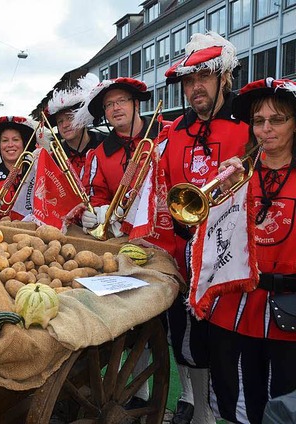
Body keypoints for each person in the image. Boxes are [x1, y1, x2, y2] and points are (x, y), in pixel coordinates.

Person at [161, 31, 247, 424]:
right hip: (185, 258)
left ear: (223, 78)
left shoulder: (248, 127)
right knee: (188, 343)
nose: (195, 88)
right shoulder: (175, 131)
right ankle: (201, 414)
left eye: (204, 78)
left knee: (229, 350)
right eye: (189, 80)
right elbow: (163, 191)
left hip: (231, 261)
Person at [206, 78, 296, 424]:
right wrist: (224, 197)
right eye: (259, 121)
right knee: (242, 402)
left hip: (289, 310)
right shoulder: (237, 174)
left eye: (277, 120)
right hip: (239, 306)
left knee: (284, 405)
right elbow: (215, 242)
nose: (266, 129)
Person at [77, 77, 170, 240]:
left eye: (121, 101)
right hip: (127, 238)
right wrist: (96, 212)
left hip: (171, 230)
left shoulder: (169, 133)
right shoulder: (98, 155)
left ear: (136, 104)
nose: (116, 108)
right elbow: (97, 197)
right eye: (109, 105)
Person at [44, 73, 102, 179]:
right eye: (60, 122)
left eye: (70, 118)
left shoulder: (104, 145)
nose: (65, 125)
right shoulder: (55, 158)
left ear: (82, 118)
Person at [0, 116, 36, 220]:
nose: (10, 145)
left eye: (16, 139)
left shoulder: (36, 174)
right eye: (5, 140)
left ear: (24, 144)